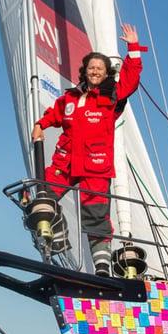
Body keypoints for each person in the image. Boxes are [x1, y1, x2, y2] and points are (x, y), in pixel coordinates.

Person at [31, 24, 146, 277]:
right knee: (37, 200)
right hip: (65, 163)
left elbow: (131, 79)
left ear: (106, 74)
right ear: (85, 71)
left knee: (96, 218)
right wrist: (41, 124)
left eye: (100, 69)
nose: (95, 72)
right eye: (91, 68)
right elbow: (55, 113)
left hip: (95, 166)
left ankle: (102, 269)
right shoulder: (71, 98)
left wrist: (133, 48)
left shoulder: (112, 95)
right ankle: (57, 243)